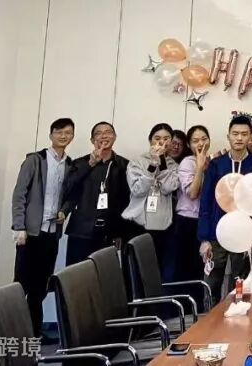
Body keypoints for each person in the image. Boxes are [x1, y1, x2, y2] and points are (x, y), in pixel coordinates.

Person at [11, 117, 74, 336]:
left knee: (40, 287)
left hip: (51, 233)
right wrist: (19, 226)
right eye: (59, 132)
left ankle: (35, 332)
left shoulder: (70, 165)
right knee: (21, 285)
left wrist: (64, 210)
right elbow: (19, 194)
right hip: (29, 233)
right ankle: (15, 331)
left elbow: (70, 196)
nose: (63, 136)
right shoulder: (35, 160)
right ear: (51, 135)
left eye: (67, 133)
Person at [198, 115, 252, 302]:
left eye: (244, 134)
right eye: (235, 134)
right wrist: (204, 239)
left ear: (250, 136)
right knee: (212, 281)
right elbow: (206, 201)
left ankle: (238, 315)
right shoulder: (216, 164)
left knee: (240, 281)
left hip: (244, 233)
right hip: (216, 231)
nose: (239, 138)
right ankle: (209, 317)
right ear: (228, 136)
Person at [62, 121, 130, 266]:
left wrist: (120, 232)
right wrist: (89, 165)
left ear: (115, 137)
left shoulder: (124, 165)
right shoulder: (80, 163)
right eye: (98, 133)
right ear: (92, 140)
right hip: (81, 231)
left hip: (109, 232)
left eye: (108, 132)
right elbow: (68, 188)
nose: (104, 136)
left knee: (104, 274)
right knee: (77, 274)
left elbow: (126, 201)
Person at [123, 123, 180, 280]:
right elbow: (138, 190)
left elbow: (168, 188)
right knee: (135, 273)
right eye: (157, 138)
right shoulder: (137, 161)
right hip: (137, 224)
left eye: (166, 138)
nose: (161, 142)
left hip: (162, 226)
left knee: (157, 273)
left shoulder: (173, 165)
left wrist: (161, 163)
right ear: (150, 140)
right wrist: (152, 166)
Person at [173, 125, 209, 282]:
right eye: (195, 141)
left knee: (200, 269)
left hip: (203, 220)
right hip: (187, 221)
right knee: (186, 269)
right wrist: (199, 168)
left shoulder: (211, 161)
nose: (200, 143)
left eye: (204, 139)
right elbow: (193, 194)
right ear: (189, 144)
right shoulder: (187, 163)